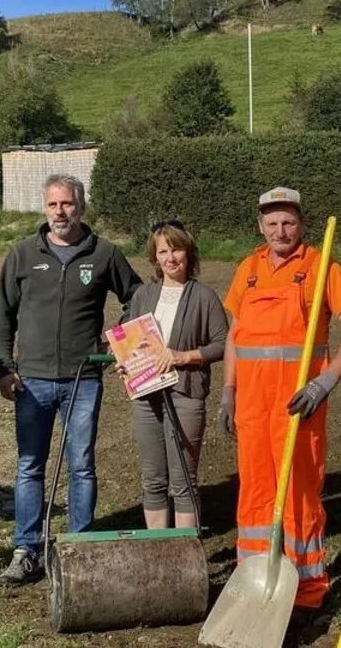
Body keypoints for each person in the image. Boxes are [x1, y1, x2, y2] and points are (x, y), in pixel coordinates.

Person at [217, 187, 341, 632]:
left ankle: (306, 589)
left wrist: (326, 380)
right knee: (254, 494)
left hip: (298, 406)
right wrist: (228, 389)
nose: (279, 230)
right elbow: (235, 335)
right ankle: (253, 583)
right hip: (251, 406)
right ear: (260, 225)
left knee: (299, 495)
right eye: (271, 222)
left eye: (287, 222)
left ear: (301, 224)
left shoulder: (321, 267)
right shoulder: (247, 268)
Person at [0, 174, 142, 584]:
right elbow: (3, 315)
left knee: (82, 464)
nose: (61, 212)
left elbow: (137, 297)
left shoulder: (105, 254)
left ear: (81, 207)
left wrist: (116, 344)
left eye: (68, 205)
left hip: (83, 378)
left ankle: (80, 546)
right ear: (45, 208)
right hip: (31, 380)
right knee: (29, 465)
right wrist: (4, 368)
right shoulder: (22, 254)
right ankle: (27, 549)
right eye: (54, 205)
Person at [123, 220, 229, 529]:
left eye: (177, 249)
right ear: (154, 257)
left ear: (189, 253)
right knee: (152, 478)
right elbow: (132, 341)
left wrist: (182, 357)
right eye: (163, 251)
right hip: (146, 395)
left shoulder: (204, 297)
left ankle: (185, 551)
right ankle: (159, 552)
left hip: (185, 394)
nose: (171, 258)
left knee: (183, 478)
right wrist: (126, 363)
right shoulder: (143, 294)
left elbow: (223, 344)